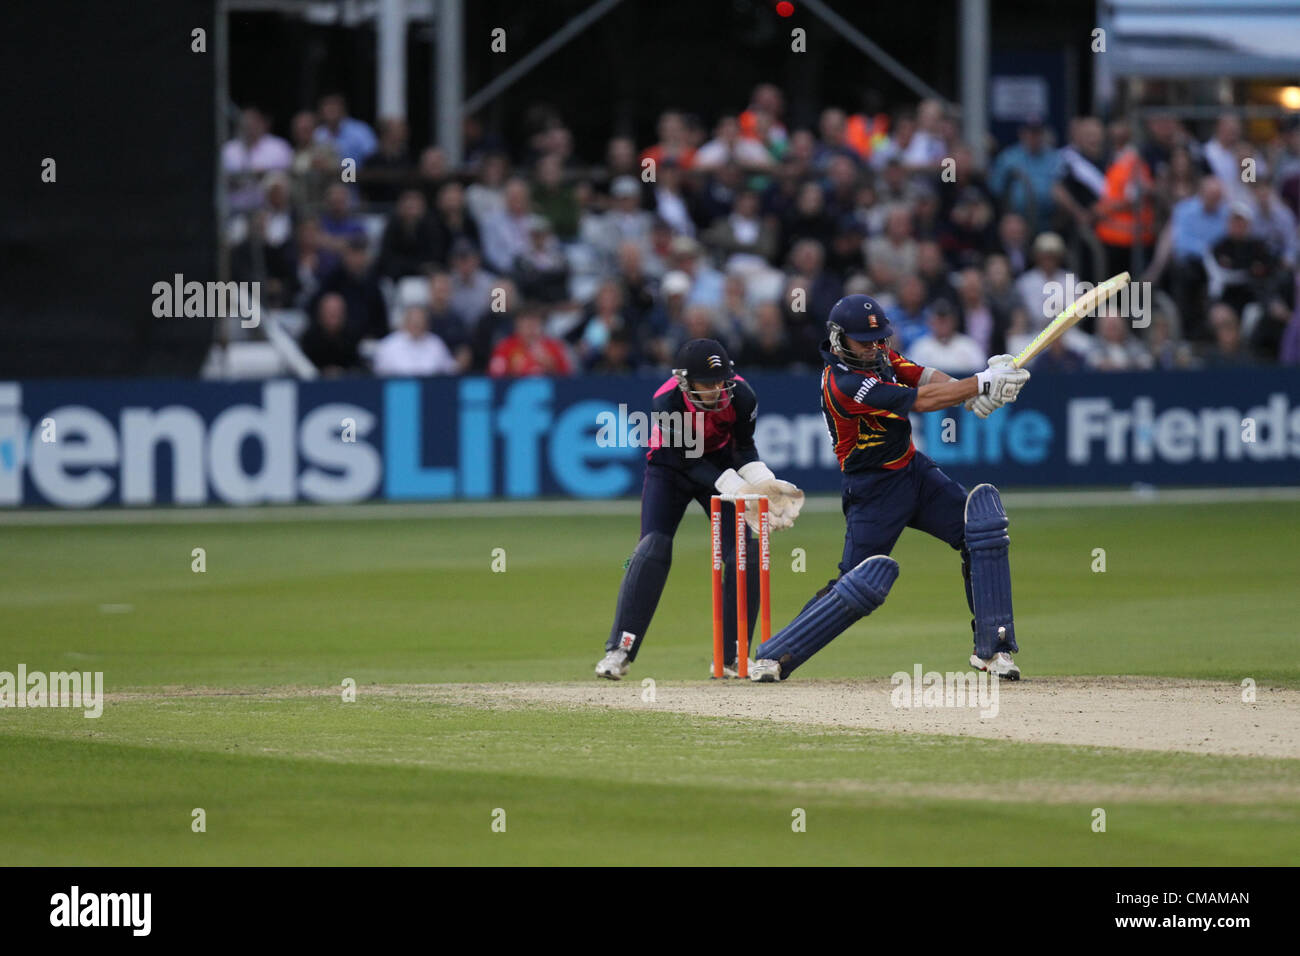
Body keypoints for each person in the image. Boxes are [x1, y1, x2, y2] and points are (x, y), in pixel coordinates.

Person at [748, 295, 1030, 683]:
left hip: (914, 472)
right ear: (838, 339)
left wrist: (977, 393)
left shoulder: (880, 356)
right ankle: (775, 655)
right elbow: (921, 400)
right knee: (855, 584)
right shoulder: (844, 384)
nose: (875, 346)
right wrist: (981, 382)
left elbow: (925, 377)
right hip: (873, 490)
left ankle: (994, 650)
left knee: (982, 533)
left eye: (879, 338)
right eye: (865, 340)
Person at [595, 339, 804, 681]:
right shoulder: (667, 401)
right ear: (685, 381)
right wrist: (737, 487)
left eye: (720, 381)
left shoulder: (742, 396)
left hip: (720, 465)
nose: (715, 390)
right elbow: (687, 460)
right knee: (652, 549)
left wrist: (765, 482)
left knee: (745, 552)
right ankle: (619, 651)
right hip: (670, 469)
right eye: (707, 384)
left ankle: (731, 655)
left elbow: (743, 448)